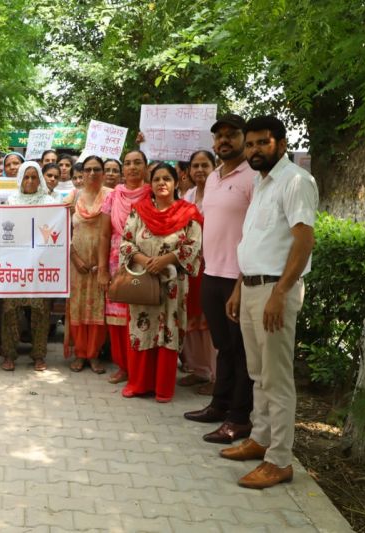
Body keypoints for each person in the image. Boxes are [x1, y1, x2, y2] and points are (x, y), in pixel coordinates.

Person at [220, 115, 318, 489]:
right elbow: (255, 243)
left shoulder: (295, 181)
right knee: (258, 373)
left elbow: (303, 240)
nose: (254, 150)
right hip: (252, 289)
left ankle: (280, 460)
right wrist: (239, 288)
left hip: (276, 291)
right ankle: (260, 440)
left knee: (277, 379)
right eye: (250, 144)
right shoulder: (262, 183)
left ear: (279, 142)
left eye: (262, 143)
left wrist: (280, 293)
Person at [183, 114, 257, 446]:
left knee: (242, 351)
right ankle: (219, 405)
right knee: (223, 347)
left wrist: (242, 282)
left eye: (232, 135)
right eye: (220, 136)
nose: (224, 140)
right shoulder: (213, 178)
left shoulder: (254, 177)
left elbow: (256, 233)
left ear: (244, 138)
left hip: (238, 278)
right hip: (211, 274)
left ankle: (239, 419)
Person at [119, 163, 203, 402]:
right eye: (156, 179)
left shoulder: (189, 212)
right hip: (142, 283)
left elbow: (193, 246)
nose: (161, 183)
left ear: (176, 183)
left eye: (167, 178)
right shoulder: (139, 210)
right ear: (151, 183)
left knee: (168, 330)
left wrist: (166, 259)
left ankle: (163, 388)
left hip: (172, 286)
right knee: (142, 328)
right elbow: (126, 243)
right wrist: (145, 261)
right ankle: (138, 384)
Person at [97, 150, 151, 384]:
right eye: (127, 164)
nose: (131, 168)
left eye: (137, 163)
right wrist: (102, 269)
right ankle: (123, 366)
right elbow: (104, 234)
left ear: (146, 167)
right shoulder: (113, 197)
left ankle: (141, 369)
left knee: (141, 315)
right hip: (115, 261)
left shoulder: (152, 194)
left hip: (145, 262)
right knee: (118, 320)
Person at [1, 162, 56, 372]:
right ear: (20, 179)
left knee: (41, 311)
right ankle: (9, 354)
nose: (30, 181)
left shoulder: (50, 203)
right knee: (9, 310)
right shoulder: (12, 201)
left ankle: (39, 355)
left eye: (34, 177)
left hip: (40, 266)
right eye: (26, 177)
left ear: (40, 179)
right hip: (14, 266)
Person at [64, 155, 112, 373]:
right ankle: (80, 353)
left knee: (98, 309)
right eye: (88, 169)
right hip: (77, 264)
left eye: (97, 169)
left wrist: (103, 266)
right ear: (81, 174)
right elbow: (61, 231)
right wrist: (74, 258)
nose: (92, 173)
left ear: (103, 173)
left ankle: (93, 354)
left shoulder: (112, 196)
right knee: (78, 308)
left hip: (103, 263)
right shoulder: (72, 197)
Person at [178, 149, 218, 394]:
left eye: (205, 165)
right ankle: (198, 370)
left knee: (211, 323)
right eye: (195, 166)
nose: (200, 170)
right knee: (191, 319)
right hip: (189, 267)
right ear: (189, 171)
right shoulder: (189, 195)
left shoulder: (218, 195)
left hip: (212, 264)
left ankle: (216, 377)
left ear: (214, 167)